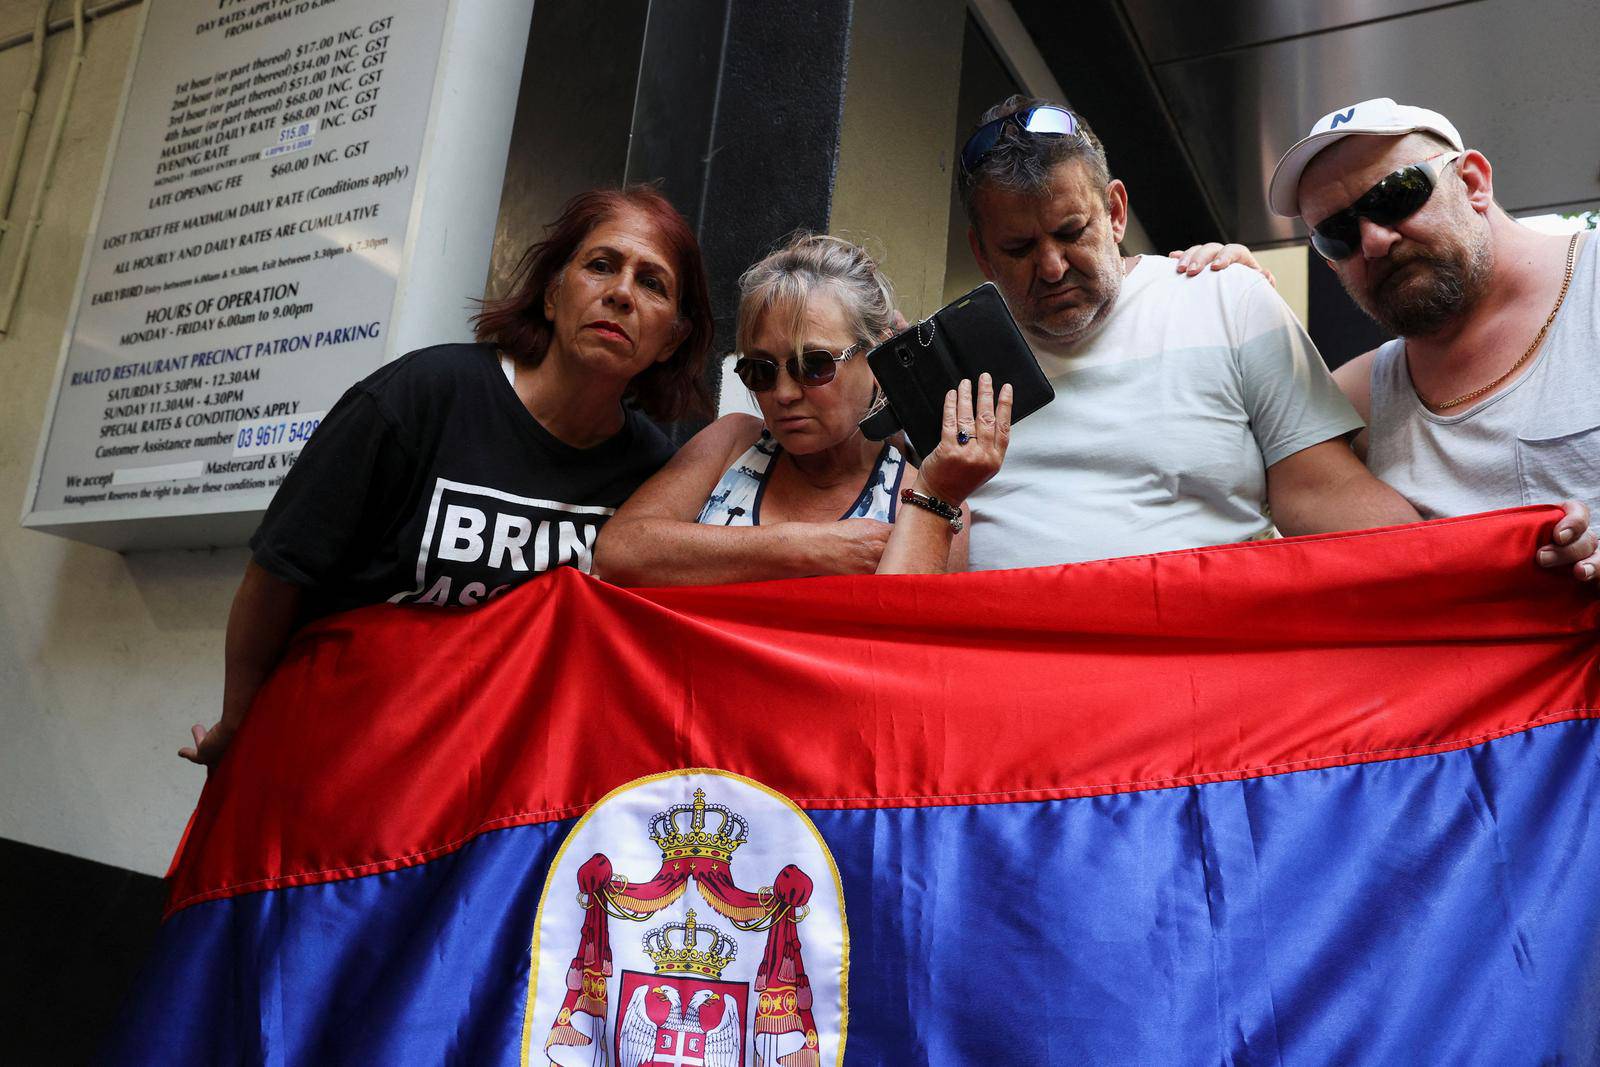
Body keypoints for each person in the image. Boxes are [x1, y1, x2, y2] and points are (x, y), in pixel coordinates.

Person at [180, 185, 716, 765]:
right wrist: (241, 723)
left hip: (494, 777)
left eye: (651, 283)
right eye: (601, 266)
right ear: (553, 294)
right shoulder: (421, 395)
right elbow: (278, 573)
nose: (620, 294)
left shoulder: (653, 474)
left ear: (673, 339)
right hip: (342, 742)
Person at [955, 96, 1423, 571]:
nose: (1052, 268)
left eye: (1072, 232)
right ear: (983, 253)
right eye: (1019, 248)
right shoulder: (949, 357)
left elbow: (1322, 490)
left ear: (1116, 212)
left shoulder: (1227, 298)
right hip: (1008, 640)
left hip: (1194, 635)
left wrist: (1444, 564)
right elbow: (915, 514)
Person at [1269, 98, 1598, 582]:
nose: (1374, 241)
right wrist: (1223, 291)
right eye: (1337, 234)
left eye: (1396, 196)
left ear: (1473, 183)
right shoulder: (1353, 400)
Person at [594, 233, 1010, 585]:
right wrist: (804, 548)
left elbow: (900, 656)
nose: (783, 394)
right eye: (760, 371)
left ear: (878, 358)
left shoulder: (924, 498)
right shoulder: (735, 441)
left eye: (814, 366)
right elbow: (617, 552)